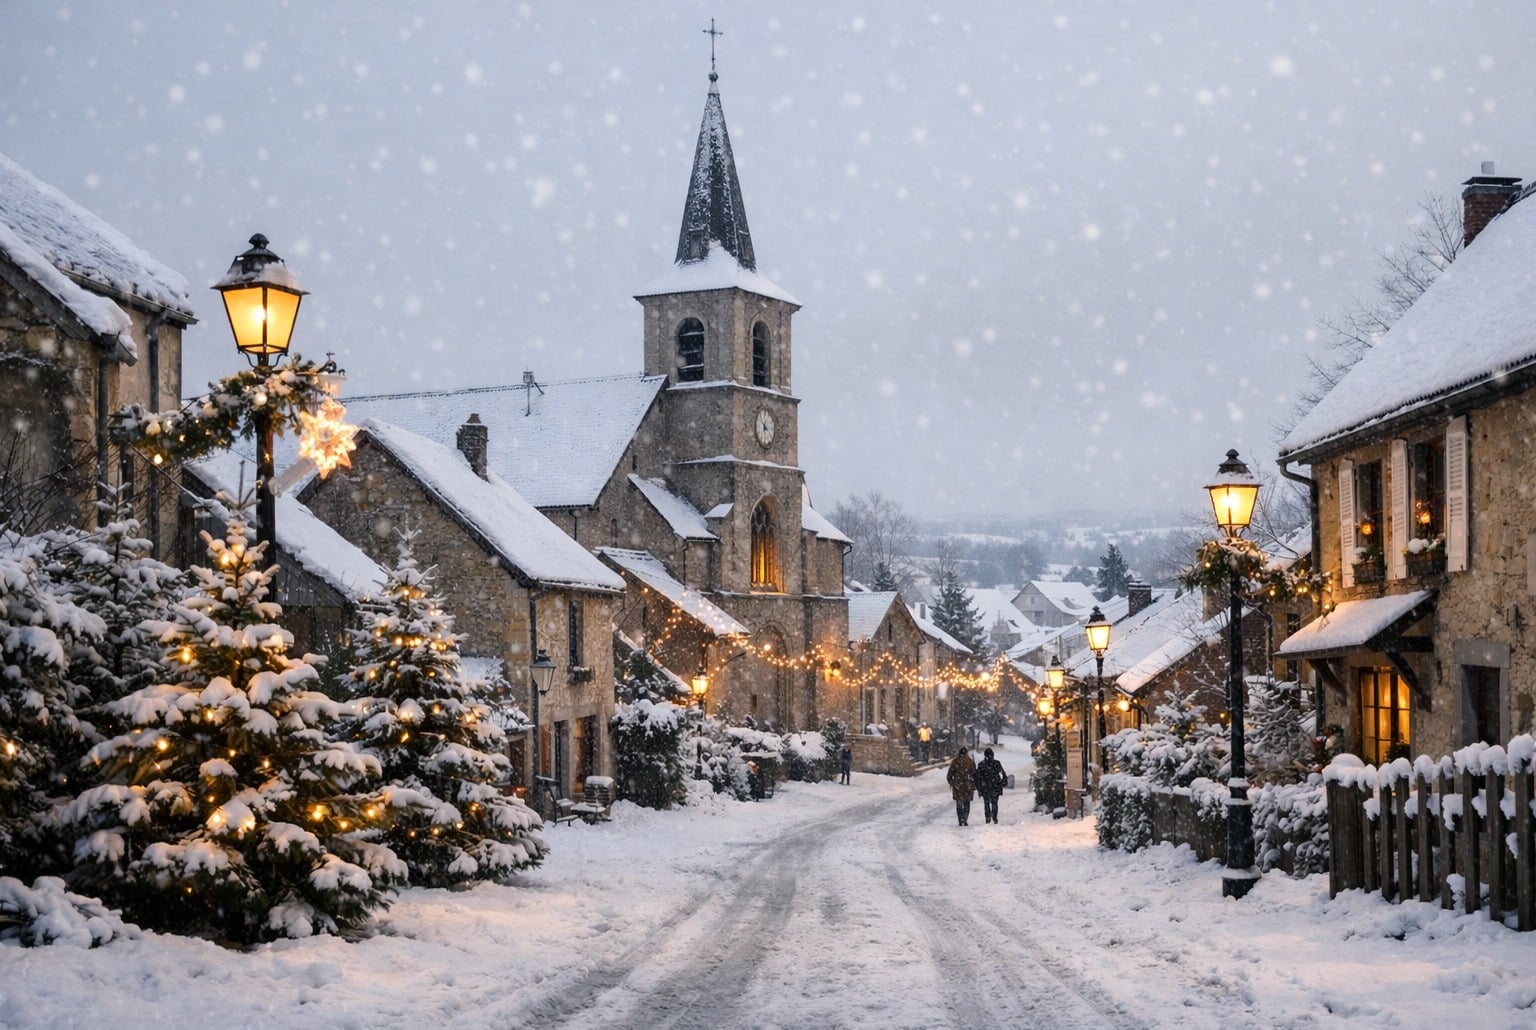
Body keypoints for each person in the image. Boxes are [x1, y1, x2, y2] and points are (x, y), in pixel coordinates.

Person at [974, 747, 1007, 824]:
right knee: (994, 803)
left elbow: (977, 777)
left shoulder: (981, 765)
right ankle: (994, 817)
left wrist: (979, 787)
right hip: (995, 786)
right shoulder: (996, 763)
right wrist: (1003, 782)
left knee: (987, 803)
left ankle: (988, 818)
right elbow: (1003, 774)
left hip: (986, 787)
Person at [946, 746, 976, 826]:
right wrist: (973, 784)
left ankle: (960, 819)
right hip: (967, 786)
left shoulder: (955, 762)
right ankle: (965, 818)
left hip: (958, 786)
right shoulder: (970, 762)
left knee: (959, 804)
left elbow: (949, 775)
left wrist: (953, 783)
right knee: (967, 803)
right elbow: (974, 775)